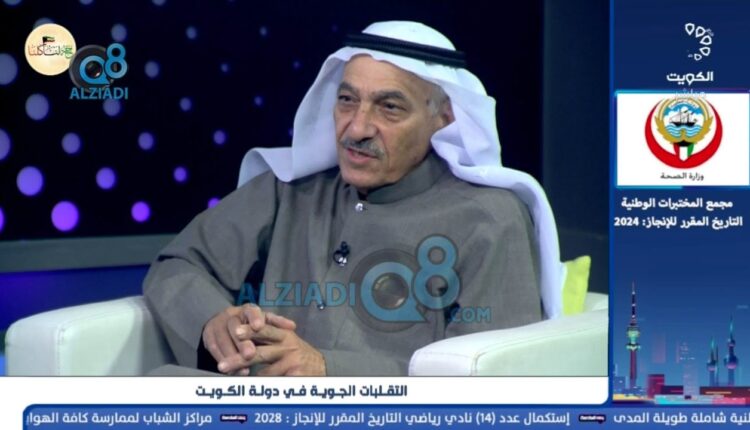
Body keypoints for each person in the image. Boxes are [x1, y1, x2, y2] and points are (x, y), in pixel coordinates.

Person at [143, 21, 563, 376]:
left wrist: (328, 368)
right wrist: (214, 321)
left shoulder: (490, 218)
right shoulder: (289, 190)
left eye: (389, 107)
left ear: (444, 119)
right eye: (347, 100)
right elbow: (178, 264)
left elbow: (487, 376)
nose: (357, 128)